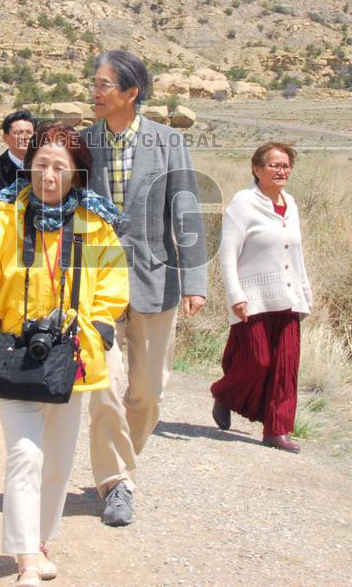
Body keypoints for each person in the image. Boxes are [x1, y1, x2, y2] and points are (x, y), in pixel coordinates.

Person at [0, 124, 128, 585]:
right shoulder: (1, 222)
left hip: (73, 358)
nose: (48, 176)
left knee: (59, 461)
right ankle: (26, 557)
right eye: (40, 165)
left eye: (59, 168)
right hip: (13, 355)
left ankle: (41, 540)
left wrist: (100, 328)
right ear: (28, 168)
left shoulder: (94, 225)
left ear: (77, 174)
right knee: (25, 455)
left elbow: (112, 281)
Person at [82, 50, 208, 526]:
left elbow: (188, 213)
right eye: (94, 84)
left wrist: (195, 279)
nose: (94, 92)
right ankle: (116, 482)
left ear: (130, 93)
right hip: (95, 285)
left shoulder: (168, 142)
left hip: (157, 279)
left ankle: (121, 466)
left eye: (103, 85)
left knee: (148, 393)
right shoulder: (83, 143)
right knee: (106, 387)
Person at [210, 143, 312, 453]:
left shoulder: (290, 203)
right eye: (274, 165)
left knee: (285, 366)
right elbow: (227, 254)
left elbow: (296, 253)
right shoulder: (243, 203)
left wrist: (305, 292)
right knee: (256, 361)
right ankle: (224, 393)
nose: (282, 170)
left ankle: (276, 430)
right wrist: (235, 296)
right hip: (252, 298)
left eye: (286, 166)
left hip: (288, 296)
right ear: (257, 169)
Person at [0, 110, 36, 190]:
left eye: (29, 132)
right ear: (5, 138)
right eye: (18, 132)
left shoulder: (42, 167)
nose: (24, 137)